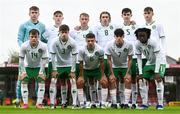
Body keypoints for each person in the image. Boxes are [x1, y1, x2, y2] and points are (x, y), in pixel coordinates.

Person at [15, 6, 46, 108]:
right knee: (22, 79)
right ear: (29, 13)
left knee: (40, 81)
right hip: (26, 55)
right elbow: (19, 38)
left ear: (38, 14)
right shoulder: (23, 25)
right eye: (32, 12)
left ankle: (38, 102)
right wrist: (25, 49)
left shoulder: (42, 26)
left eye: (36, 12)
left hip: (37, 55)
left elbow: (45, 38)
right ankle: (19, 101)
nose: (34, 14)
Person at [134, 28, 166, 110]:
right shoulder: (137, 44)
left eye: (143, 36)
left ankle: (160, 104)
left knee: (158, 80)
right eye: (139, 36)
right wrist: (140, 72)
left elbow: (158, 57)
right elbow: (139, 58)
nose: (141, 37)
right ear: (137, 37)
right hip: (150, 62)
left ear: (148, 35)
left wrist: (156, 72)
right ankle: (145, 104)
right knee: (141, 81)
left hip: (160, 61)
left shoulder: (153, 42)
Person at [77, 33, 108, 109]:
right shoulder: (81, 50)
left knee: (104, 82)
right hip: (86, 69)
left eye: (92, 41)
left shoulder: (100, 49)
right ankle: (82, 104)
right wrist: (81, 76)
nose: (90, 42)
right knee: (79, 82)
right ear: (86, 41)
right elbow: (80, 63)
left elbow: (102, 62)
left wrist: (103, 75)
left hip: (96, 69)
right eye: (88, 41)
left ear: (95, 40)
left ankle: (103, 103)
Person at [19, 29, 48, 109]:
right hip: (27, 67)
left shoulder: (43, 46)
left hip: (39, 67)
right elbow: (21, 59)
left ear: (38, 37)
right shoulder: (24, 45)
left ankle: (39, 104)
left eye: (36, 37)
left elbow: (44, 59)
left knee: (42, 83)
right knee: (24, 83)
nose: (34, 38)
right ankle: (25, 104)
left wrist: (41, 72)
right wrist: (23, 72)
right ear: (29, 37)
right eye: (32, 37)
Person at [50, 24, 78, 109]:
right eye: (62, 32)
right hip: (58, 64)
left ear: (68, 32)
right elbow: (52, 56)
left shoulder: (72, 42)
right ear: (59, 32)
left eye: (66, 32)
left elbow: (74, 57)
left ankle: (74, 103)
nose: (64, 34)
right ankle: (56, 103)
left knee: (73, 81)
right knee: (54, 81)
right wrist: (54, 70)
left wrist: (73, 71)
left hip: (69, 64)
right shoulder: (54, 42)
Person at [93, 11, 118, 104]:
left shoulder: (115, 27)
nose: (105, 18)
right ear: (100, 19)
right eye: (103, 17)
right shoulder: (96, 28)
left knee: (112, 78)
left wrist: (132, 22)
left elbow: (124, 29)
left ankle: (112, 101)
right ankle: (100, 101)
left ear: (109, 19)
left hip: (112, 57)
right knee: (100, 79)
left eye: (107, 17)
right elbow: (93, 41)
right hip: (101, 57)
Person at [105, 28, 133, 109]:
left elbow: (130, 59)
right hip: (114, 66)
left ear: (123, 36)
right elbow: (109, 60)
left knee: (128, 80)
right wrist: (112, 74)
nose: (119, 38)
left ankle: (126, 103)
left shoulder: (129, 45)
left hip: (124, 66)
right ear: (114, 36)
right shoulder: (109, 45)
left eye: (120, 36)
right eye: (117, 36)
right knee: (112, 80)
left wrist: (128, 73)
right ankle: (114, 103)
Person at [70, 13, 94, 105]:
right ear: (79, 20)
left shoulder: (92, 30)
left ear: (88, 20)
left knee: (91, 81)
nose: (84, 21)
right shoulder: (74, 32)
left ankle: (93, 102)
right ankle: (80, 101)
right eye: (82, 19)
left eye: (86, 19)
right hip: (77, 60)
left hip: (90, 60)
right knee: (79, 81)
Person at [43, 10, 64, 109]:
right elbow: (42, 39)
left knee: (65, 81)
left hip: (63, 60)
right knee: (53, 80)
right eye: (56, 16)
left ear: (62, 18)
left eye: (60, 16)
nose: (58, 18)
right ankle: (52, 102)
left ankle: (64, 102)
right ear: (53, 18)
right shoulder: (49, 29)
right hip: (52, 59)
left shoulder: (65, 29)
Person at [120, 8, 138, 109]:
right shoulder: (119, 27)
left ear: (131, 15)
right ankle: (123, 102)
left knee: (134, 79)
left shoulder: (136, 26)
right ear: (122, 16)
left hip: (134, 56)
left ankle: (134, 102)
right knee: (122, 79)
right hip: (123, 58)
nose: (126, 16)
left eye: (128, 14)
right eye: (124, 14)